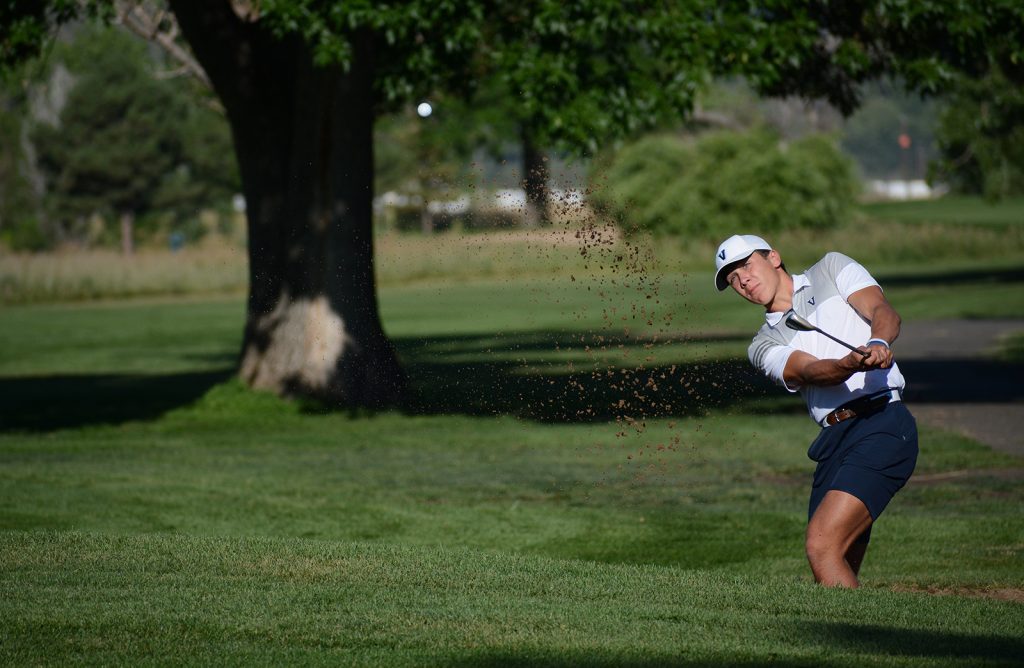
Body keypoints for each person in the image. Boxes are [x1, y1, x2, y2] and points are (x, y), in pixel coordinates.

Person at [714, 234, 918, 588]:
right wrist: (848, 363)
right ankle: (859, 623)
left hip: (881, 424)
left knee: (822, 547)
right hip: (834, 442)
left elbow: (882, 312)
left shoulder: (830, 268)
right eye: (732, 278)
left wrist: (878, 342)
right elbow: (810, 371)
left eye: (746, 265)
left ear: (773, 257)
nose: (742, 280)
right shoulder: (762, 344)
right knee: (837, 561)